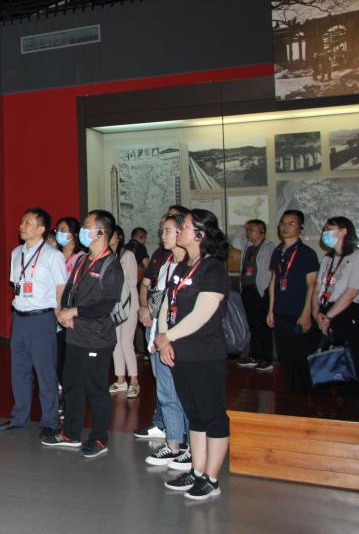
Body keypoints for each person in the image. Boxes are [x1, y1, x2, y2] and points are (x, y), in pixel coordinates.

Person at [154, 209, 231, 501]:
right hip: (180, 353)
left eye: (184, 226)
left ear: (200, 234)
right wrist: (163, 339)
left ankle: (212, 477)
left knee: (212, 415)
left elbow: (202, 314)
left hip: (205, 354)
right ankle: (197, 471)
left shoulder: (213, 270)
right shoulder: (183, 266)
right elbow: (167, 304)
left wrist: (168, 337)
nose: (179, 231)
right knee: (195, 415)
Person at [45, 209, 123, 459]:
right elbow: (69, 289)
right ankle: (71, 433)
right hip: (75, 335)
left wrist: (75, 311)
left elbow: (105, 304)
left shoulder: (111, 265)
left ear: (100, 233)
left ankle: (99, 438)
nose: (82, 231)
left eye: (87, 227)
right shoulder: (82, 261)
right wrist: (62, 311)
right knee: (72, 385)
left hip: (96, 339)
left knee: (96, 389)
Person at [0, 208, 67, 441]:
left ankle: (50, 421)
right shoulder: (16, 253)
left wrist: (59, 313)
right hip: (20, 318)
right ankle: (19, 417)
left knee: (45, 372)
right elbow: (17, 283)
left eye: (28, 223)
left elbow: (61, 287)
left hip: (42, 319)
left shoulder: (52, 256)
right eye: (22, 221)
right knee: (19, 371)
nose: (22, 226)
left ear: (41, 229)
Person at [141, 213, 191, 471]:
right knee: (166, 393)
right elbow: (159, 302)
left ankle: (192, 448)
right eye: (162, 231)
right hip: (161, 338)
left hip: (183, 340)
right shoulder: (166, 264)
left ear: (183, 232)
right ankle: (173, 444)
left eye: (168, 231)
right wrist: (155, 335)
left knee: (186, 395)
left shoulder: (195, 266)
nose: (163, 236)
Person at [313, 217, 359, 397]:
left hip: (346, 314)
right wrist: (317, 314)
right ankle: (324, 408)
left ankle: (350, 409)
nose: (325, 234)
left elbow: (351, 292)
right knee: (324, 368)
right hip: (324, 312)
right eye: (324, 230)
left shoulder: (358, 257)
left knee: (347, 369)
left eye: (330, 229)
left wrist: (328, 317)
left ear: (344, 231)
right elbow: (317, 289)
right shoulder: (327, 259)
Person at [267, 210, 319, 394]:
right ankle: (291, 397)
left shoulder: (307, 253)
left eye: (291, 223)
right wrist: (271, 310)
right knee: (286, 358)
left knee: (301, 359)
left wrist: (306, 313)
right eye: (283, 223)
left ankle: (305, 398)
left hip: (299, 313)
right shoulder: (277, 252)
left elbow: (312, 285)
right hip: (281, 311)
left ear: (300, 227)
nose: (285, 227)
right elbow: (274, 280)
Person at [232, 219, 275, 371]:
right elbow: (235, 241)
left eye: (252, 230)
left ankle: (267, 358)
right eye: (247, 230)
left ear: (262, 232)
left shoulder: (269, 247)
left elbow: (271, 271)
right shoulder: (247, 246)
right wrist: (242, 227)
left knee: (263, 324)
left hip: (261, 290)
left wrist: (267, 287)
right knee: (252, 324)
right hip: (247, 289)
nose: (248, 233)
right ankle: (255, 355)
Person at [109, 225, 140, 397]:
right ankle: (120, 379)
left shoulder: (127, 255)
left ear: (119, 237)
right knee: (115, 343)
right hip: (113, 305)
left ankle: (134, 380)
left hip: (129, 303)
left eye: (111, 234)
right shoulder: (108, 256)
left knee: (126, 342)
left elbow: (132, 281)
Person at [54, 216, 86, 387]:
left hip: (71, 310)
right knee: (57, 348)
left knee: (70, 350)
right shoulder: (55, 256)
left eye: (63, 230)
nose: (59, 234)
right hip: (55, 308)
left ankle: (70, 383)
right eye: (58, 230)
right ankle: (59, 380)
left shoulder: (82, 258)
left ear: (74, 234)